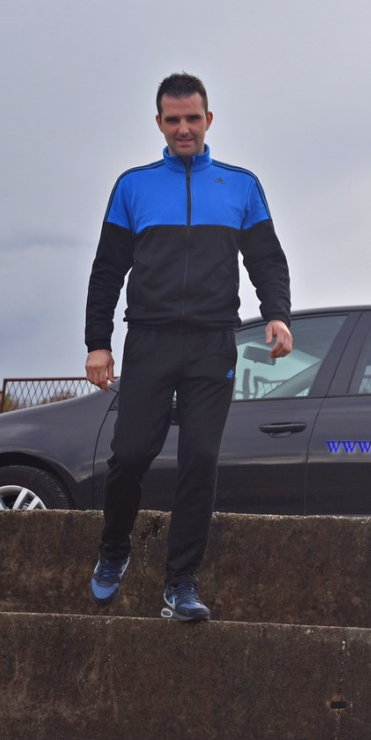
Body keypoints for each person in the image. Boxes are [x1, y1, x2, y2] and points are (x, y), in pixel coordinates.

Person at [84, 73, 292, 622]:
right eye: (173, 120)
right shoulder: (133, 187)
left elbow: (266, 259)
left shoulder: (240, 186)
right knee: (131, 455)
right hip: (149, 341)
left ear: (208, 120)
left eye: (192, 118)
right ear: (158, 123)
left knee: (200, 459)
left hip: (211, 343)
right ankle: (113, 550)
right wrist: (98, 343)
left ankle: (180, 584)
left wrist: (277, 314)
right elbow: (106, 271)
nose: (183, 128)